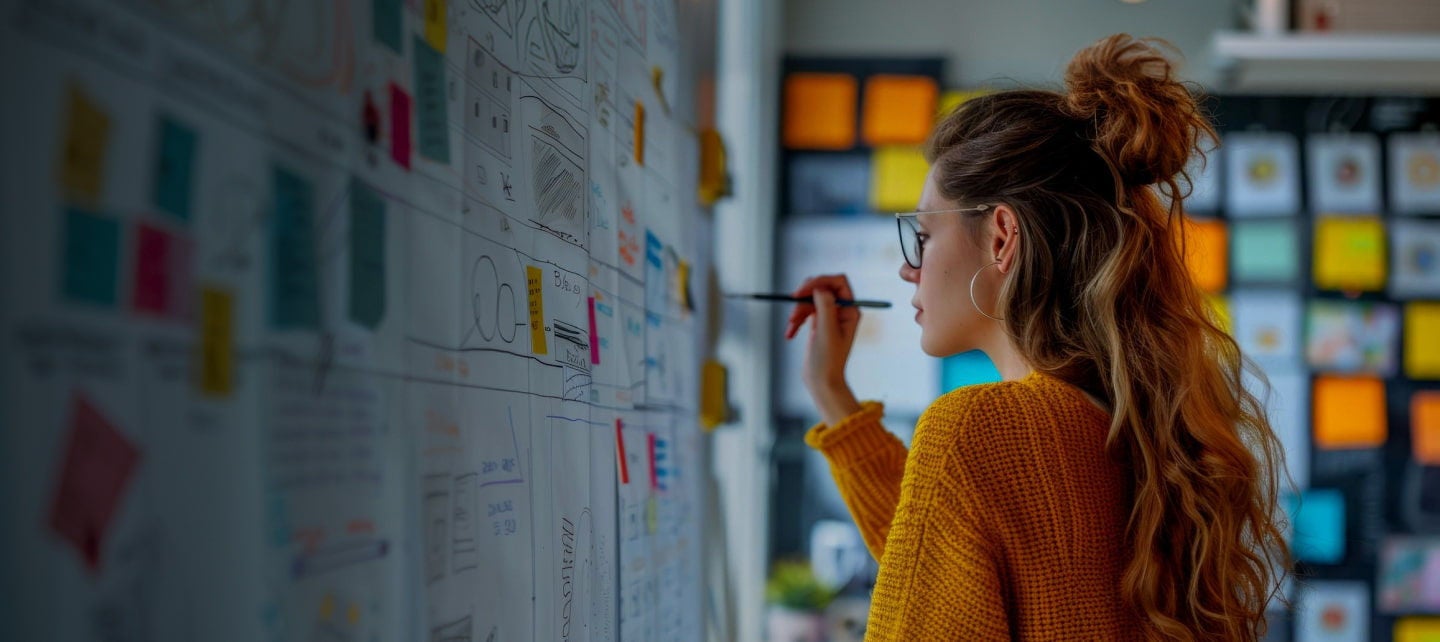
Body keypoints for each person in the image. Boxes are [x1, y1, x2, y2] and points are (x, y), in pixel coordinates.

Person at [785, 34, 1290, 641]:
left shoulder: (974, 430)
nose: (907, 269)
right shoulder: (1137, 425)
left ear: (1001, 236)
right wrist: (831, 391)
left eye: (922, 236)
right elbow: (946, 561)